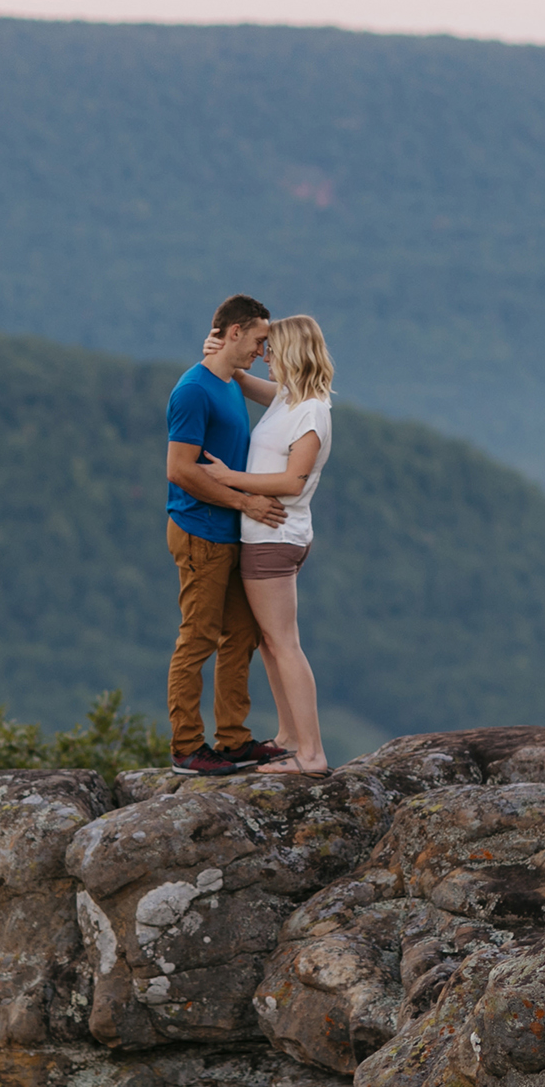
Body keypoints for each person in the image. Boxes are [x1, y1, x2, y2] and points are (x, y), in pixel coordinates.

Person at [199, 315, 335, 775]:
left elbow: (293, 481)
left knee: (284, 644)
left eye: (271, 350)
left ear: (292, 353)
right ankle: (291, 737)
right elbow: (241, 381)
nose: (265, 356)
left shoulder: (311, 411)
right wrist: (224, 354)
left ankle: (311, 754)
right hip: (271, 536)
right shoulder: (289, 399)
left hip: (275, 536)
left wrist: (229, 480)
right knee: (273, 645)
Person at [163, 295, 291, 777]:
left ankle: (233, 741)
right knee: (197, 639)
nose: (263, 350)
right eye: (259, 340)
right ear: (235, 332)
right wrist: (245, 502)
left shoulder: (226, 382)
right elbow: (180, 470)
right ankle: (187, 749)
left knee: (241, 633)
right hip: (201, 531)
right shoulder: (193, 391)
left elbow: (284, 391)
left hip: (231, 532)